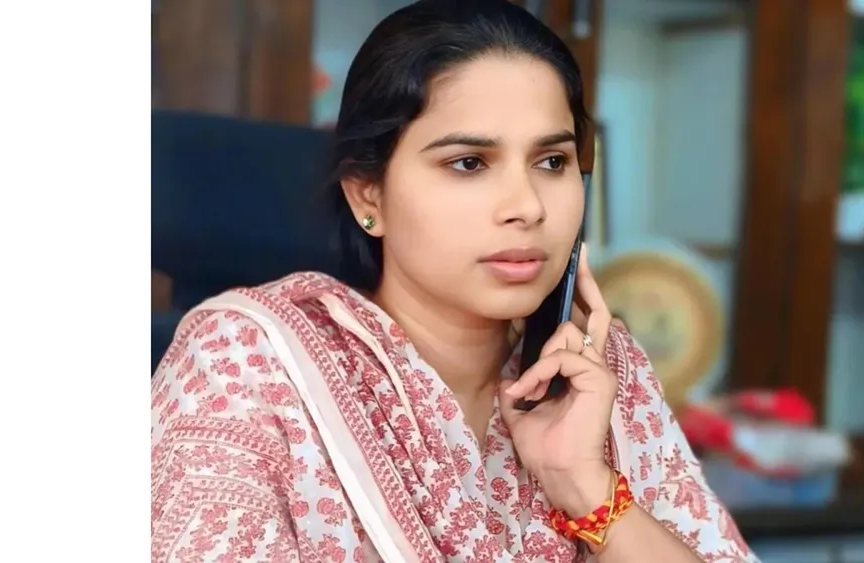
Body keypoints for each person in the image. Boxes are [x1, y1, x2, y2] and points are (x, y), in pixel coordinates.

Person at [150, 1, 757, 561]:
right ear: (369, 195)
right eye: (468, 163)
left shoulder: (600, 369)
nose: (528, 207)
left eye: (552, 162)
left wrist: (584, 485)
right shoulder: (248, 364)